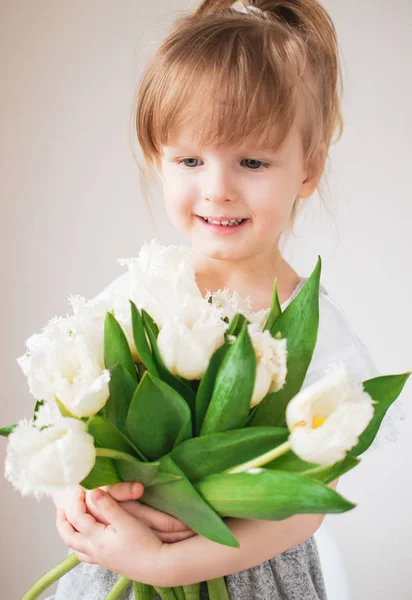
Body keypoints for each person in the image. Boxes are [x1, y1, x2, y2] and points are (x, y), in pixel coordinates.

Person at [47, 1, 406, 599]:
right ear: (156, 159)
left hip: (244, 575)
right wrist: (74, 498)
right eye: (190, 159)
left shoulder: (307, 328)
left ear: (308, 169)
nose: (217, 189)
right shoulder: (146, 288)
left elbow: (307, 506)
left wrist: (166, 566)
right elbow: (62, 414)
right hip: (118, 564)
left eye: (253, 161)